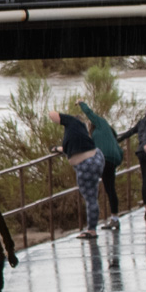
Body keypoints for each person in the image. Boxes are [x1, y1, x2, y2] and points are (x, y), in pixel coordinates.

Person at [54, 108, 104, 238]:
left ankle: (92, 230)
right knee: (92, 195)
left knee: (91, 198)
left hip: (86, 165)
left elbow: (54, 115)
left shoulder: (73, 126)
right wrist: (58, 149)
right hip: (96, 158)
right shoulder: (81, 132)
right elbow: (71, 147)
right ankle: (92, 228)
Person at [78, 100, 122, 229]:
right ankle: (114, 218)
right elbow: (119, 150)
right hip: (110, 161)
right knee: (110, 189)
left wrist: (81, 103)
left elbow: (89, 113)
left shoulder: (102, 124)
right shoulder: (104, 135)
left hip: (103, 160)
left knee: (93, 188)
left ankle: (92, 225)